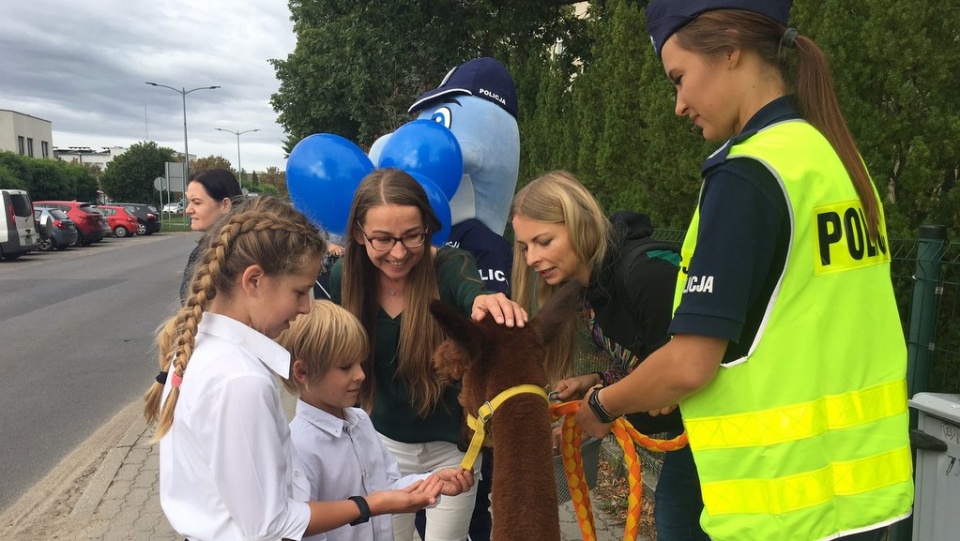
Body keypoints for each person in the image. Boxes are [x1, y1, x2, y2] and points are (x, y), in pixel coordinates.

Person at [576, 2, 914, 540]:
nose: (679, 105)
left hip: (779, 507)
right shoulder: (835, 161)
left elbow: (690, 364)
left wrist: (601, 404)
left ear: (730, 48)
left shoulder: (747, 176)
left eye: (680, 78)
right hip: (863, 503)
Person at [143, 196, 443, 541]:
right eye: (300, 291)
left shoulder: (203, 351)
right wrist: (369, 505)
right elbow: (271, 523)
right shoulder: (240, 379)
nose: (305, 308)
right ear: (254, 280)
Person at [329, 167, 527, 541]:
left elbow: (473, 293)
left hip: (451, 454)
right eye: (383, 239)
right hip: (383, 449)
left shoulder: (451, 267)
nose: (400, 253)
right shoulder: (345, 278)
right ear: (358, 234)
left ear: (428, 229)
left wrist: (485, 302)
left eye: (412, 236)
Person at [510, 170, 707, 541]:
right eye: (524, 247)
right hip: (692, 435)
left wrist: (603, 405)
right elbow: (649, 360)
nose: (533, 258)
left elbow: (677, 375)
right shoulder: (589, 289)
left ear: (578, 223)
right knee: (675, 522)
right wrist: (600, 381)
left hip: (727, 429)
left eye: (544, 241)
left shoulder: (644, 275)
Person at [276, 300, 475, 541]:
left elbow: (386, 486)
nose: (360, 375)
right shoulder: (299, 446)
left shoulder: (360, 420)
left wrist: (431, 481)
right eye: (345, 367)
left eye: (361, 363)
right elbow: (299, 525)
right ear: (302, 372)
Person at [179, 168, 243, 304]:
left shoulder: (240, 254)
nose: (188, 210)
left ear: (225, 205)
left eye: (196, 202)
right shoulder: (205, 248)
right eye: (188, 202)